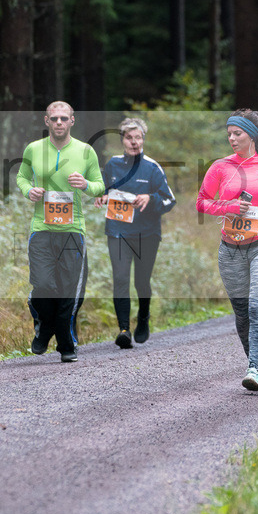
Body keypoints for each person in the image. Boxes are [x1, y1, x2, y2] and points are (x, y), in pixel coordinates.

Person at [196, 109, 258, 391]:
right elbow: (202, 202)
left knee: (256, 304)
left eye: (237, 133)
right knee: (241, 311)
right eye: (229, 134)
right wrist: (228, 207)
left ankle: (254, 368)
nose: (231, 139)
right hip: (230, 250)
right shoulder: (220, 167)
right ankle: (255, 359)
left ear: (251, 134)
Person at [16, 101, 105, 362]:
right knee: (43, 285)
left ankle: (67, 344)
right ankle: (45, 328)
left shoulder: (85, 151)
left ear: (72, 121)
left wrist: (86, 184)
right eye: (54, 118)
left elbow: (100, 186)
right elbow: (21, 177)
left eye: (63, 118)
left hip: (72, 229)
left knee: (68, 289)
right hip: (41, 227)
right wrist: (27, 190)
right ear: (46, 121)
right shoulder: (33, 149)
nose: (58, 123)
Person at [94, 118, 176, 348]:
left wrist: (151, 198)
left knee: (141, 282)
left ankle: (143, 317)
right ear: (122, 140)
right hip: (117, 231)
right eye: (129, 138)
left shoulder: (152, 167)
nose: (134, 142)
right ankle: (123, 330)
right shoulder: (112, 165)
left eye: (138, 137)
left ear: (143, 140)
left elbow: (170, 200)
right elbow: (103, 188)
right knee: (120, 278)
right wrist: (101, 194)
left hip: (146, 233)